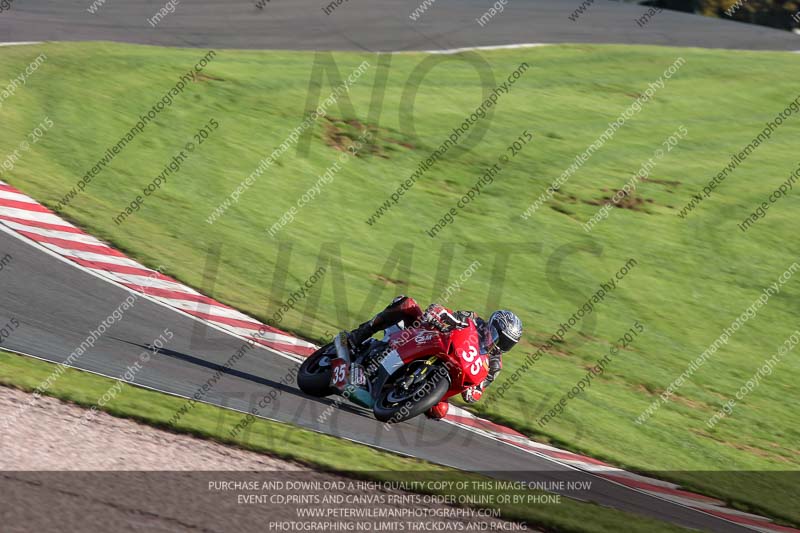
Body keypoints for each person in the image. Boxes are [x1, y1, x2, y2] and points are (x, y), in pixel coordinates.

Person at [347, 296, 522, 420]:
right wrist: (438, 314)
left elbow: (477, 391)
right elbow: (449, 315)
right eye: (500, 338)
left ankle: (403, 393)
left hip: (450, 374)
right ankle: (360, 335)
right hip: (429, 339)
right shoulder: (474, 320)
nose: (500, 345)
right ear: (492, 327)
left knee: (439, 410)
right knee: (405, 304)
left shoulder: (494, 365)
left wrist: (473, 390)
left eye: (507, 343)